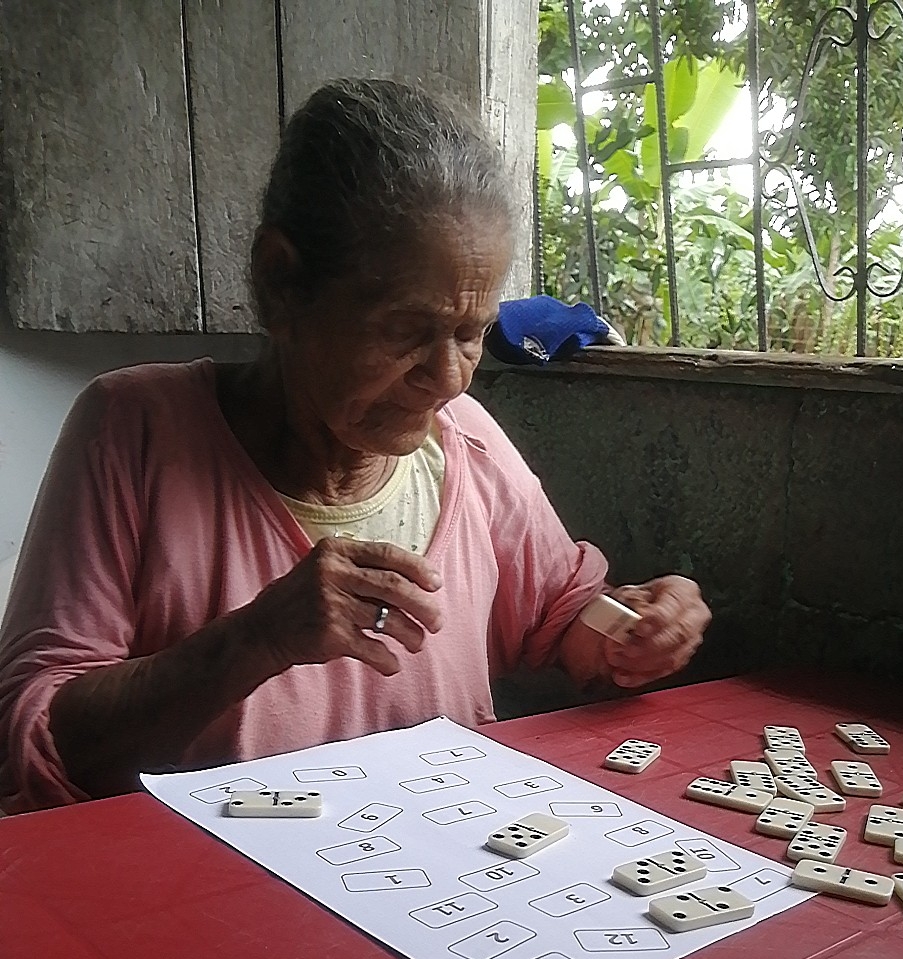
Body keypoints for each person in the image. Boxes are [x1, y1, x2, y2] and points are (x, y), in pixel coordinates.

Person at [0, 79, 710, 814]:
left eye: (471, 333)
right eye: (405, 331)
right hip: (191, 881)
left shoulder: (466, 443)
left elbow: (562, 620)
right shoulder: (136, 430)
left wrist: (634, 629)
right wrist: (254, 640)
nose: (447, 378)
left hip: (431, 868)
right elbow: (37, 736)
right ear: (281, 284)